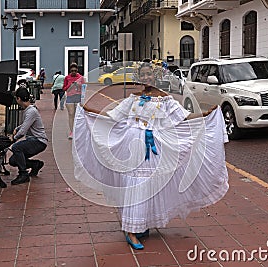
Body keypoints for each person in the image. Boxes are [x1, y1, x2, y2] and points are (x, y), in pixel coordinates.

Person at [72, 60, 229, 250]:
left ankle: (141, 223)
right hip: (131, 146)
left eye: (149, 74)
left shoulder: (166, 99)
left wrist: (205, 115)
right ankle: (131, 230)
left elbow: (184, 117)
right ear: (139, 78)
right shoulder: (133, 99)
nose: (146, 78)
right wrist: (89, 111)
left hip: (154, 149)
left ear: (155, 76)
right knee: (135, 184)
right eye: (143, 75)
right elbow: (112, 116)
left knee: (149, 186)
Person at [9, 87, 48, 185]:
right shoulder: (29, 110)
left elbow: (23, 131)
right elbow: (25, 124)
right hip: (33, 140)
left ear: (18, 99)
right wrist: (16, 129)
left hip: (39, 141)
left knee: (16, 147)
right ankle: (35, 164)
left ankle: (23, 175)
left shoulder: (31, 111)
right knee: (13, 160)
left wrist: (13, 138)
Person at [63, 62, 85, 139]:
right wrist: (70, 85)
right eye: (72, 71)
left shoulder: (81, 77)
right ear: (70, 70)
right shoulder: (67, 78)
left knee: (78, 115)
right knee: (71, 114)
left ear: (77, 70)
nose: (74, 72)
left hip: (78, 96)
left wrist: (78, 85)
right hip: (70, 97)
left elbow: (84, 88)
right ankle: (72, 132)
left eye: (75, 71)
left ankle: (78, 131)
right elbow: (64, 88)